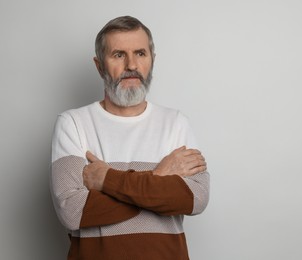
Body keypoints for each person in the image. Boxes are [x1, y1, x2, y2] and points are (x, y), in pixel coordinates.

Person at [50, 15, 210, 260]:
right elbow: (74, 212)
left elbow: (195, 199)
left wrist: (107, 180)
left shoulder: (176, 122)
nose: (132, 65)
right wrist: (158, 177)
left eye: (140, 54)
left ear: (152, 60)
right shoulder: (73, 123)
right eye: (118, 55)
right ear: (99, 65)